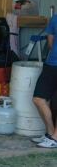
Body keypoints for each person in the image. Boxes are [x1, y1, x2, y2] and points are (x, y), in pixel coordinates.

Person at [31, 13, 57, 148]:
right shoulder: (55, 18)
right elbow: (50, 40)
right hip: (51, 63)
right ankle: (50, 133)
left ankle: (55, 138)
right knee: (38, 98)